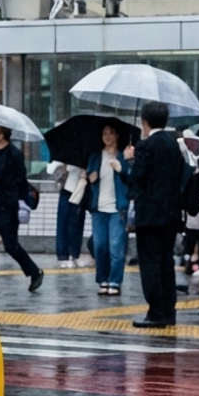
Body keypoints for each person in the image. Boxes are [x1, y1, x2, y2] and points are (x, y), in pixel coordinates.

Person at [124, 101, 184, 328]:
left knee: (150, 263)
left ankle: (155, 312)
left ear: (144, 121)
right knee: (166, 262)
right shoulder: (173, 144)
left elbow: (136, 181)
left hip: (149, 216)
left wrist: (129, 161)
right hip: (171, 214)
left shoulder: (145, 146)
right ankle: (169, 312)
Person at [0, 124, 43, 293]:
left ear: (3, 135)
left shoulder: (14, 154)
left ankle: (34, 272)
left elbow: (20, 179)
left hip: (7, 205)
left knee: (10, 245)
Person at [86, 125, 131, 296]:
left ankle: (115, 281)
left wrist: (121, 168)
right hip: (98, 208)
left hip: (117, 208)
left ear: (117, 136)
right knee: (99, 247)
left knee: (116, 246)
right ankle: (102, 280)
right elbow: (90, 177)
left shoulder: (123, 156)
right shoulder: (96, 156)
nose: (107, 136)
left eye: (111, 133)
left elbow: (130, 177)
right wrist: (91, 176)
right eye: (104, 133)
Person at [51, 161, 88, 268]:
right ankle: (63, 256)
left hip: (80, 189)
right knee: (63, 223)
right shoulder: (68, 157)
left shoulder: (86, 156)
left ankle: (74, 255)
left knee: (77, 224)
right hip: (67, 189)